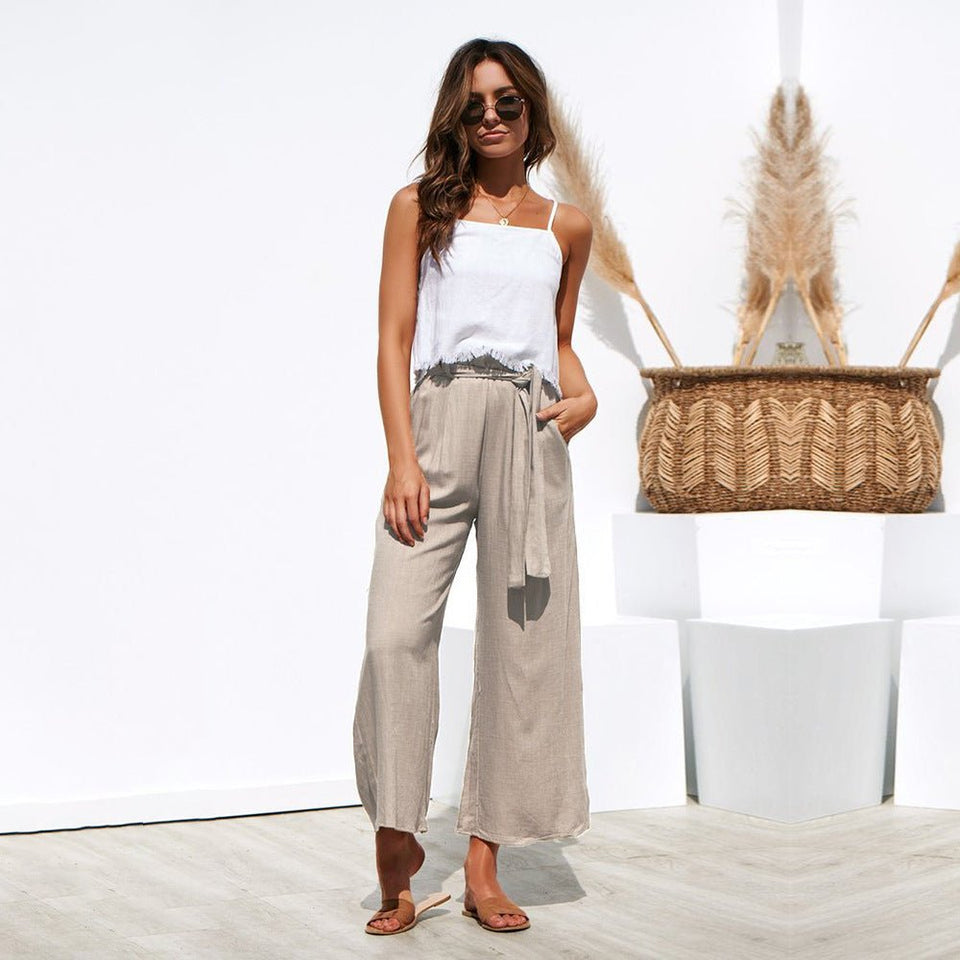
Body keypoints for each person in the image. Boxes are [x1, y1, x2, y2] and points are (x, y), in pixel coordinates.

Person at [353, 37, 597, 937]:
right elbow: (393, 337)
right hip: (440, 418)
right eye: (475, 103)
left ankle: (487, 860)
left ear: (532, 111)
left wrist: (585, 396)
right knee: (394, 635)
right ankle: (396, 837)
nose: (491, 116)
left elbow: (557, 339)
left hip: (529, 433)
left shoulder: (564, 226)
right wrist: (402, 458)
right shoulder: (419, 207)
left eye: (508, 102)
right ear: (456, 116)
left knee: (522, 649)